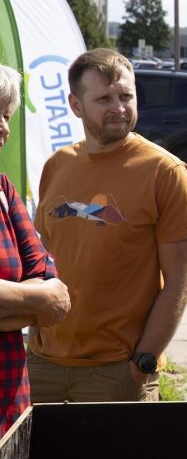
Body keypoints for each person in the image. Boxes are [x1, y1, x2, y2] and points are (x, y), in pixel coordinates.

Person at [29, 48, 187, 403]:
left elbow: (180, 282)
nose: (119, 108)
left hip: (117, 371)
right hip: (43, 365)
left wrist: (144, 361)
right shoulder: (57, 166)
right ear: (76, 106)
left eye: (126, 96)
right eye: (104, 99)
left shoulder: (165, 173)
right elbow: (40, 263)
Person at [0, 65, 70, 433]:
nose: (4, 128)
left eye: (6, 115)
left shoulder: (3, 189)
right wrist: (32, 302)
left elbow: (54, 291)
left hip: (10, 405)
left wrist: (15, 304)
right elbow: (42, 297)